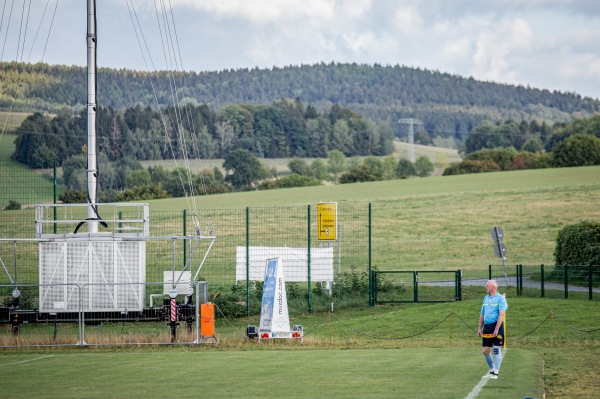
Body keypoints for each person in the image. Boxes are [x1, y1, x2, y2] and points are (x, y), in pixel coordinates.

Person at [477, 279, 508, 379]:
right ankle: (491, 370)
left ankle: (496, 373)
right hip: (487, 327)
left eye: (487, 285)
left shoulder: (501, 299)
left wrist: (497, 329)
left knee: (496, 350)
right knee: (485, 350)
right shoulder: (485, 298)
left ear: (493, 287)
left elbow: (501, 314)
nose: (485, 286)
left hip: (496, 326)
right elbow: (482, 314)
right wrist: (479, 328)